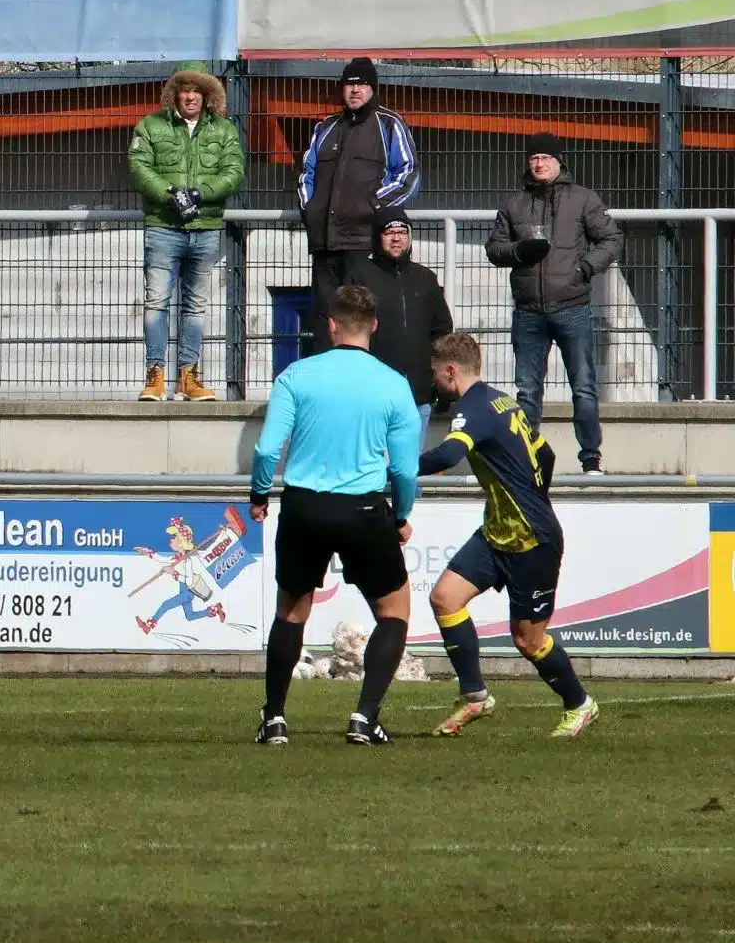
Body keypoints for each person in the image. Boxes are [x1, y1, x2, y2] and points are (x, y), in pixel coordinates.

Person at [249, 284, 420, 746]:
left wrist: (259, 494)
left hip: (304, 505)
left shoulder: (296, 376)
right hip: (363, 507)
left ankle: (275, 718)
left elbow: (267, 449)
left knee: (291, 610)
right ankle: (365, 716)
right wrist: (402, 513)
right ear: (375, 327)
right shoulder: (393, 383)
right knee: (394, 610)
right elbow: (405, 468)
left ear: (330, 325)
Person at [419, 332, 600, 738]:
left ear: (451, 371)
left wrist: (396, 467)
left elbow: (448, 456)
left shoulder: (473, 407)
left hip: (533, 539)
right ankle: (475, 696)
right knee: (445, 598)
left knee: (528, 640)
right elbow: (546, 453)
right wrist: (533, 492)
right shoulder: (501, 400)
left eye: (436, 375)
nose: (434, 383)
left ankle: (580, 703)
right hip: (500, 530)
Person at [485, 132, 622, 475]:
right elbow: (494, 248)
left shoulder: (583, 199)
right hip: (529, 311)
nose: (539, 163)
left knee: (584, 387)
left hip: (573, 306)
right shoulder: (514, 204)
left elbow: (611, 238)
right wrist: (519, 251)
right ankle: (527, 458)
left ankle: (590, 458)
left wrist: (585, 268)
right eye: (533, 158)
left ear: (560, 161)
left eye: (546, 157)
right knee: (528, 390)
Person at [128, 64, 244, 401]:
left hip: (205, 229)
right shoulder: (151, 126)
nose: (191, 95)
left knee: (195, 306)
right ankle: (155, 375)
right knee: (156, 303)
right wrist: (170, 193)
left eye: (197, 89)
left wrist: (199, 193)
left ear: (208, 95)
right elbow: (139, 167)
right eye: (185, 89)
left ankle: (188, 377)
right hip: (163, 228)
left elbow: (234, 171)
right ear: (175, 94)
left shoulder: (224, 130)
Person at [297, 57, 420, 355]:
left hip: (364, 243)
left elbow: (408, 173)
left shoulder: (389, 123)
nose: (355, 90)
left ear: (373, 89)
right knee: (327, 321)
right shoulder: (325, 127)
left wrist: (374, 207)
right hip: (325, 244)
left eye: (362, 84)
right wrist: (311, 209)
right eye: (350, 84)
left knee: (364, 317)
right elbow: (306, 173)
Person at [344, 206, 453, 450]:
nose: (396, 238)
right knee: (371, 469)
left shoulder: (425, 278)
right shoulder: (360, 276)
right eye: (389, 232)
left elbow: (442, 330)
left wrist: (439, 381)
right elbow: (347, 332)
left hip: (417, 394)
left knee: (409, 473)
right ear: (377, 237)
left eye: (402, 232)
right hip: (371, 395)